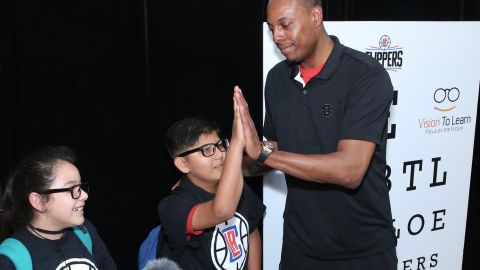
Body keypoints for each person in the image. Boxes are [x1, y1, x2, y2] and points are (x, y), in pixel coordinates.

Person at [233, 0, 397, 269]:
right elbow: (269, 150)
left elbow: (350, 171)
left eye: (285, 25)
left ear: (316, 16)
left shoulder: (366, 75)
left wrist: (262, 152)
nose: (277, 37)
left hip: (363, 251)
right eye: (271, 28)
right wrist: (217, 169)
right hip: (300, 248)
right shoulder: (276, 79)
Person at [157, 99, 265, 269]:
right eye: (207, 150)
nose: (219, 155)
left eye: (220, 145)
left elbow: (251, 230)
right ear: (183, 164)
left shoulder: (237, 186)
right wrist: (237, 143)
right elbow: (221, 211)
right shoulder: (172, 207)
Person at [0, 145, 117, 269]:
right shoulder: (10, 259)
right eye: (72, 188)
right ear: (38, 201)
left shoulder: (85, 232)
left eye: (81, 187)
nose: (84, 195)